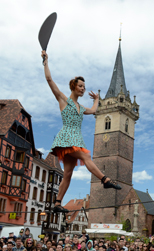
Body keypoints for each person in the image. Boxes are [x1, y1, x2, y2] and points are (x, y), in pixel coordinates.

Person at [41, 50, 122, 214]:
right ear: (73, 86)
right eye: (80, 86)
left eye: (84, 87)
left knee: (68, 174)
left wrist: (97, 100)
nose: (83, 89)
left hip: (76, 138)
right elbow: (49, 79)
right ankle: (105, 179)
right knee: (85, 156)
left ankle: (57, 203)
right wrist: (45, 62)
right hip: (67, 137)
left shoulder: (80, 107)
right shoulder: (64, 100)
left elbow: (93, 110)